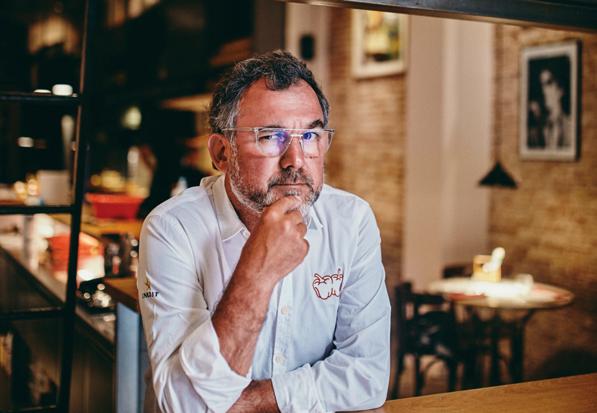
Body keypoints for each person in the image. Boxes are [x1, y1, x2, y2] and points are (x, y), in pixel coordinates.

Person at [137, 50, 391, 413]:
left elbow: (367, 376)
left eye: (310, 135)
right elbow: (184, 404)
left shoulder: (351, 221)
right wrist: (257, 273)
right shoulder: (172, 228)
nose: (295, 160)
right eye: (270, 136)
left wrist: (252, 401)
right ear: (222, 153)